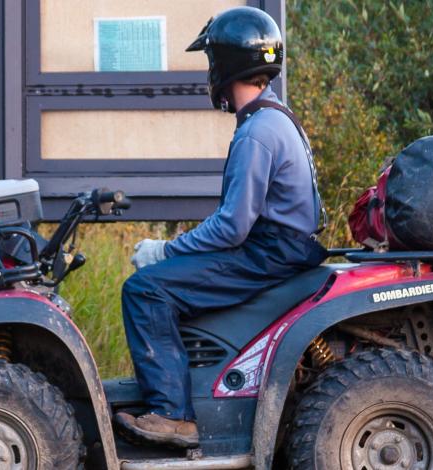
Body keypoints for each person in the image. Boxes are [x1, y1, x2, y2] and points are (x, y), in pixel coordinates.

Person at [112, 6, 328, 448]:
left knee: (146, 290)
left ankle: (173, 415)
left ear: (227, 65)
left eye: (212, 61)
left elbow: (232, 227)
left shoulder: (256, 133)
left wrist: (167, 250)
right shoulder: (278, 116)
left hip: (268, 252)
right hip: (284, 246)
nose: (211, 72)